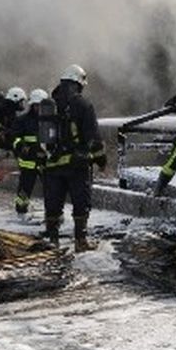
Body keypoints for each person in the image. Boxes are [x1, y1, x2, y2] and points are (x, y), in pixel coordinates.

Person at [41, 64, 106, 251]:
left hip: (53, 163)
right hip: (77, 164)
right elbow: (93, 138)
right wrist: (101, 160)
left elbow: (43, 137)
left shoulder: (50, 104)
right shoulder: (83, 105)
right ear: (79, 82)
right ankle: (80, 241)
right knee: (80, 201)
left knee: (53, 202)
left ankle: (53, 240)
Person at [9, 88, 48, 217]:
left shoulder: (50, 121)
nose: (38, 108)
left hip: (45, 161)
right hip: (28, 161)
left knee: (51, 189)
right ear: (32, 105)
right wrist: (21, 146)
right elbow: (14, 138)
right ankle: (21, 211)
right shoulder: (23, 120)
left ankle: (52, 213)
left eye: (40, 106)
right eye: (35, 105)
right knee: (24, 190)